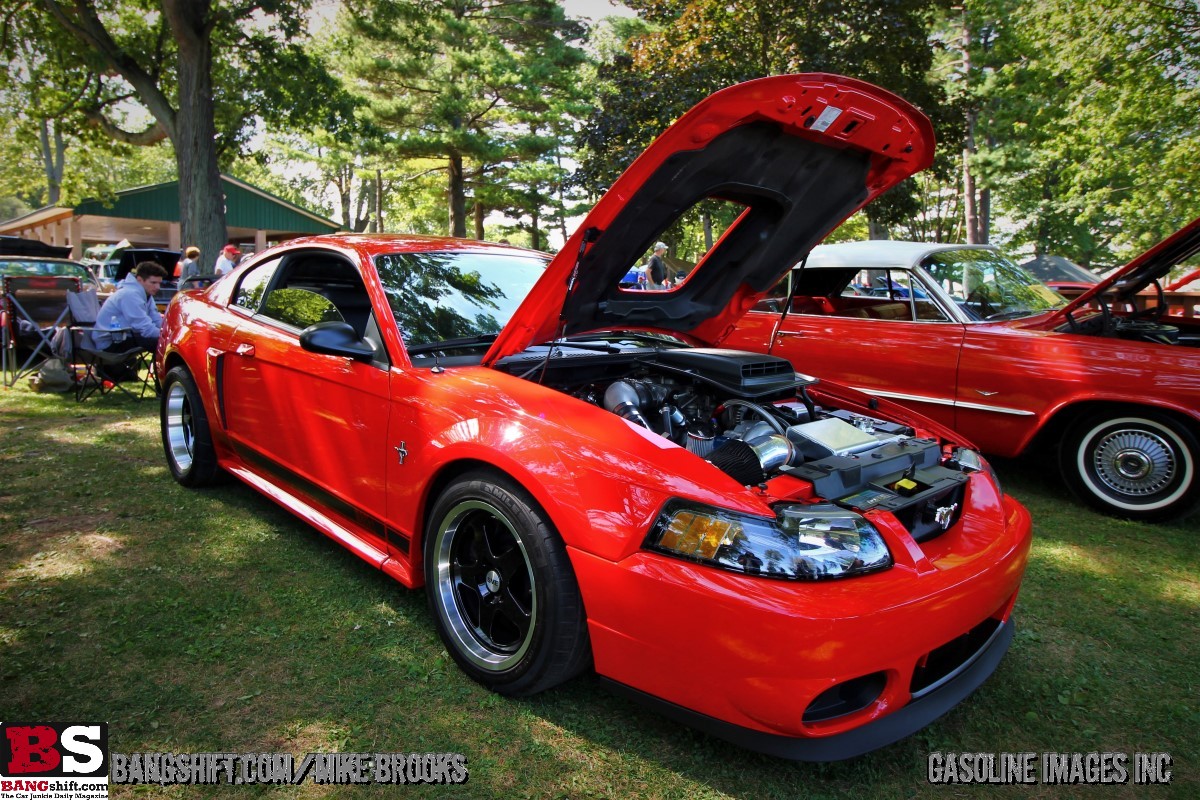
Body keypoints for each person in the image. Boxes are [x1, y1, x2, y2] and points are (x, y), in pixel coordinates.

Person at [92, 261, 166, 353]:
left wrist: (169, 332)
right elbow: (145, 329)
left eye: (159, 283)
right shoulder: (130, 294)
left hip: (125, 336)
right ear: (139, 280)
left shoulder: (145, 294)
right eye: (153, 282)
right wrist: (169, 336)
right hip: (110, 342)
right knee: (164, 344)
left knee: (165, 342)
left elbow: (157, 320)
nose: (158, 287)